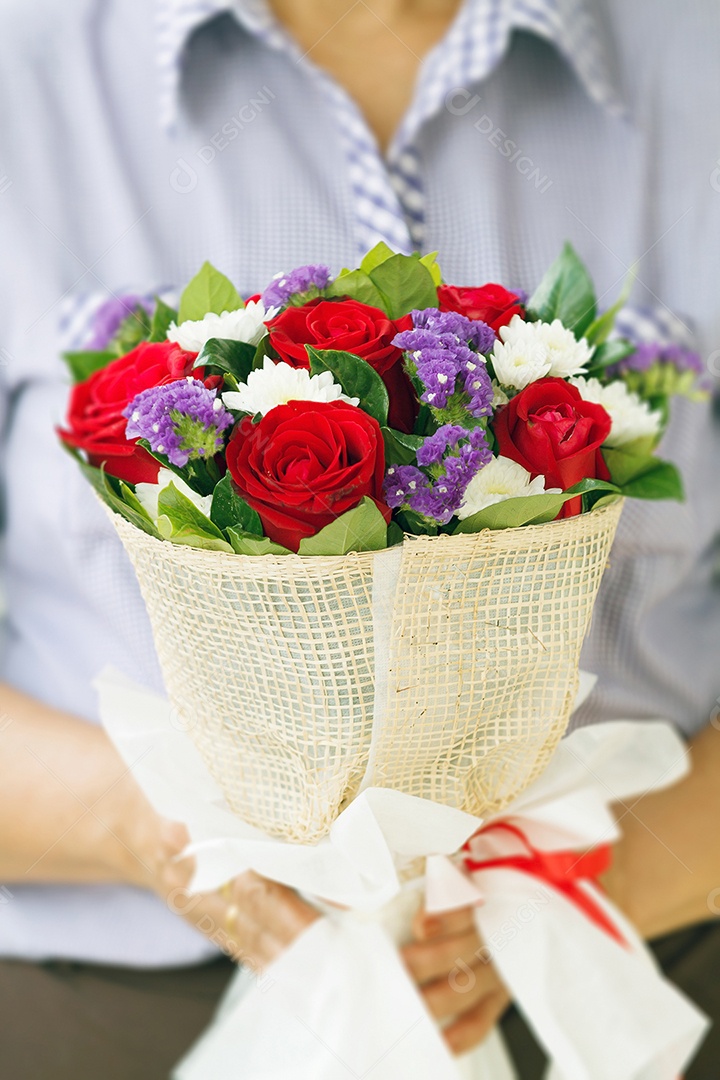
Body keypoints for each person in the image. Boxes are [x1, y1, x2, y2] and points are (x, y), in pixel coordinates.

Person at [0, 0, 718, 1076]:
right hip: (115, 1010)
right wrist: (148, 829)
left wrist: (573, 889)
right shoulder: (29, 75)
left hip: (621, 985)